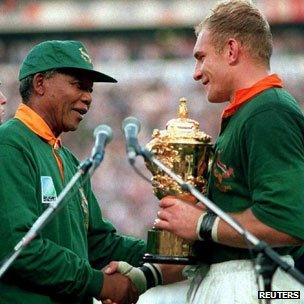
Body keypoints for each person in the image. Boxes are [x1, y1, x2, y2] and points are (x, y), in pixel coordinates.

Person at [108, 1, 304, 303]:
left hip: (260, 285)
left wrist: (201, 223)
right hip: (241, 282)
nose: (197, 73)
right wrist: (149, 274)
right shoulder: (247, 114)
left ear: (231, 50)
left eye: (201, 58)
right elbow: (223, 246)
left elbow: (288, 223)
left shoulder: (269, 111)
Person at [0, 40, 147, 304]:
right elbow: (19, 247)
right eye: (78, 85)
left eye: (90, 89)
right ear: (40, 84)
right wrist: (99, 284)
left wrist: (168, 249)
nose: (88, 97)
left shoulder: (68, 159)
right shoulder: (9, 144)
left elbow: (99, 245)